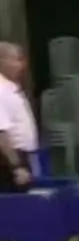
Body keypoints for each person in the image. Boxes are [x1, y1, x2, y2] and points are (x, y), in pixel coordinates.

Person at [0, 42, 36, 194]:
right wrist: (16, 166)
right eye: (16, 59)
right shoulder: (1, 90)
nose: (21, 65)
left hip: (20, 156)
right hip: (8, 160)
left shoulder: (11, 88)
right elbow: (2, 133)